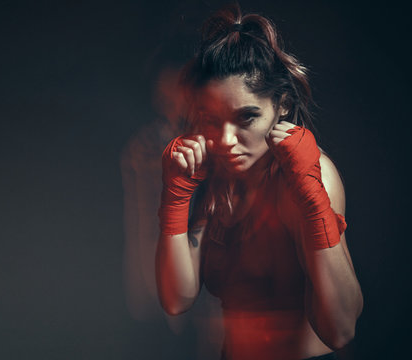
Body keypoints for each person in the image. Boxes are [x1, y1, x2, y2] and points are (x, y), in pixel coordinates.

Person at [155, 5, 363, 360]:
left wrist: (312, 198)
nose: (226, 140)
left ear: (281, 104)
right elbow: (177, 300)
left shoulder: (312, 177)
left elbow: (340, 329)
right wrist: (174, 198)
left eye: (246, 118)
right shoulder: (216, 174)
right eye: (211, 120)